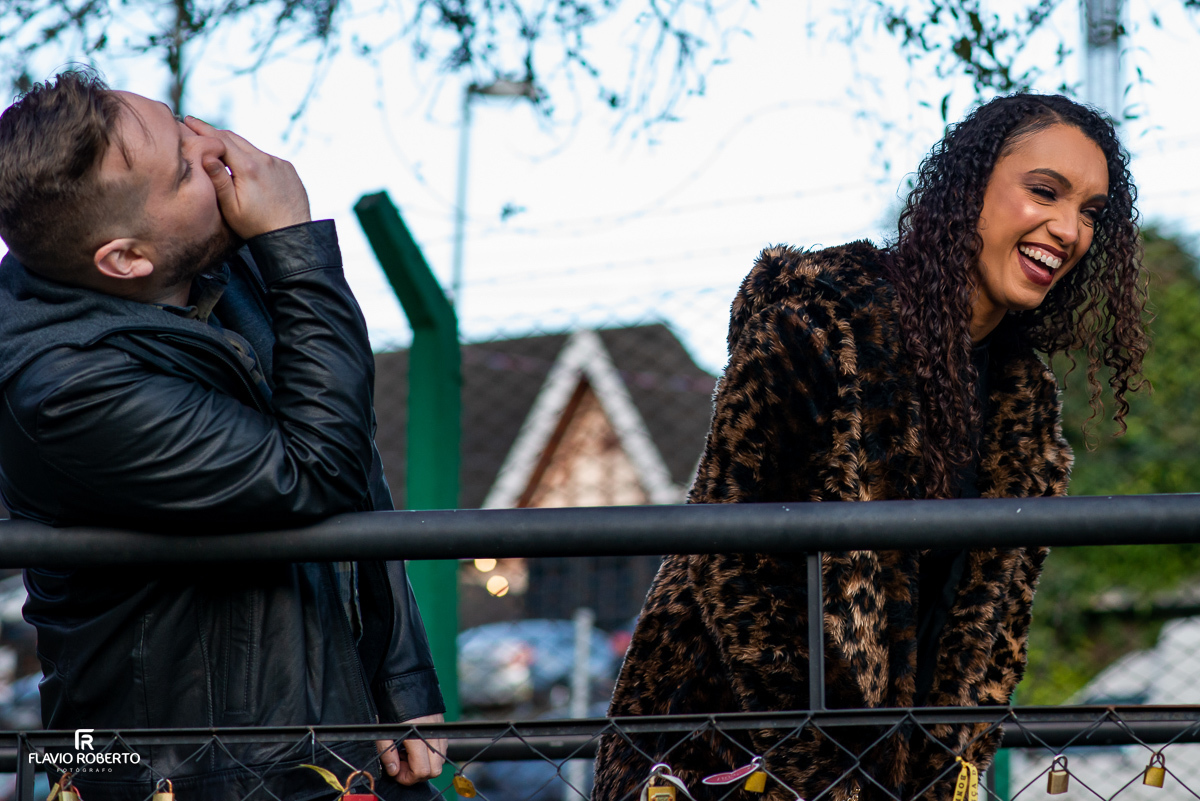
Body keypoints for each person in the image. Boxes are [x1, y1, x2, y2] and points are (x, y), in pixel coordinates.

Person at [592, 93, 1148, 801]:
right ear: (968, 189)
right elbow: (736, 567)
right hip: (720, 762)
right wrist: (827, 777)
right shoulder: (820, 324)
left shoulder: (1024, 405)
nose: (1069, 228)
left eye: (1092, 212)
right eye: (1044, 191)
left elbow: (985, 636)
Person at [0, 70, 446, 800]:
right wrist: (295, 243)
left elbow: (350, 451)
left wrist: (399, 682)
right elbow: (313, 469)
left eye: (186, 126)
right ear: (124, 258)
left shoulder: (210, 267)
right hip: (180, 771)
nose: (215, 155)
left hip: (328, 738)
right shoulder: (63, 387)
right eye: (182, 166)